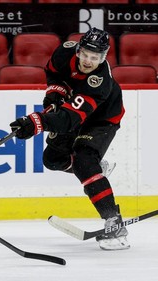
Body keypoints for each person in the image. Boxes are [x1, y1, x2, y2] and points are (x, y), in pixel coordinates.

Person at [10, 28, 129, 251]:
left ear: (103, 58)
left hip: (101, 120)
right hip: (72, 110)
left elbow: (69, 120)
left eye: (95, 58)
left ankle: (114, 220)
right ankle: (95, 170)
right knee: (53, 160)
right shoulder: (64, 52)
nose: (88, 61)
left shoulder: (99, 81)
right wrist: (55, 95)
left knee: (84, 159)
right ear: (78, 49)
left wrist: (37, 122)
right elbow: (53, 73)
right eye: (85, 54)